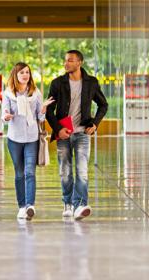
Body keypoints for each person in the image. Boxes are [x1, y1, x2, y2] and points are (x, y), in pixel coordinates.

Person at [46, 50, 108, 220]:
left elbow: (103, 105)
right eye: (65, 60)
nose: (66, 63)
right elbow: (49, 110)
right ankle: (67, 202)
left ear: (79, 62)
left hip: (82, 133)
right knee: (65, 171)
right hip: (63, 133)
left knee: (82, 170)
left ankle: (80, 204)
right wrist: (58, 129)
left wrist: (95, 123)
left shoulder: (91, 83)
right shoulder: (57, 83)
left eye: (70, 61)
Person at [2, 62, 54, 220]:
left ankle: (30, 205)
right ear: (15, 75)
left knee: (30, 172)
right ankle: (22, 206)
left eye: (27, 72)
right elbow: (5, 114)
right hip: (14, 138)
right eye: (22, 72)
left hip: (32, 138)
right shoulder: (8, 94)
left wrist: (43, 109)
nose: (25, 75)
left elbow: (39, 117)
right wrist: (6, 116)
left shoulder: (35, 93)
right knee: (19, 174)